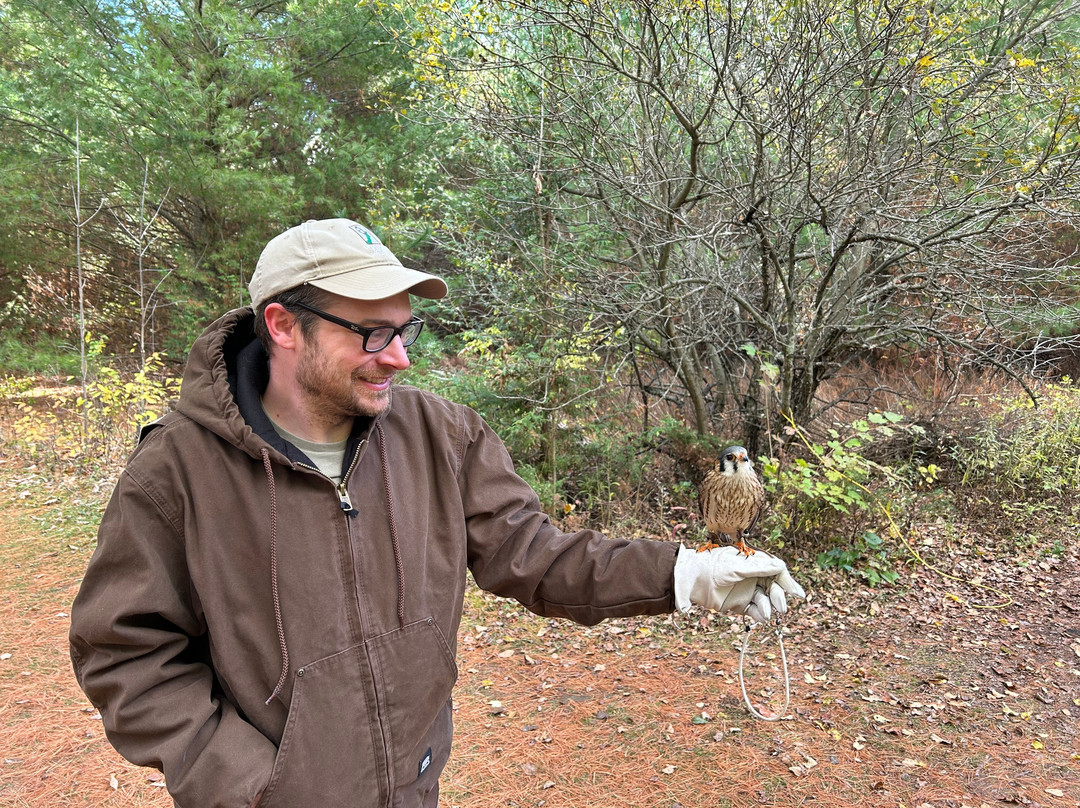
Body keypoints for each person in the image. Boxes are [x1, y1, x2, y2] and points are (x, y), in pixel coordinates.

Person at [69, 218, 804, 808]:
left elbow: (538, 556)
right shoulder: (176, 472)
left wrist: (687, 574)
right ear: (284, 326)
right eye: (373, 334)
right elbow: (125, 652)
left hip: (414, 786)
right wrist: (251, 785)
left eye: (406, 330)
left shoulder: (442, 437)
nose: (400, 360)